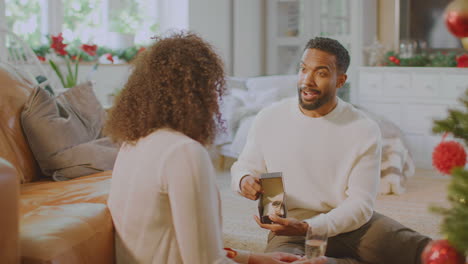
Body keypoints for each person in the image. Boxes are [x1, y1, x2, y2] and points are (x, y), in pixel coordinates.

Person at [105, 32, 325, 264]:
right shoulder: (183, 152)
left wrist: (257, 259)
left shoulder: (133, 144)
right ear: (196, 94)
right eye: (213, 88)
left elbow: (195, 248)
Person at [231, 37, 431, 264]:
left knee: (431, 253)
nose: (307, 80)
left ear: (340, 81)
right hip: (291, 230)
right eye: (303, 69)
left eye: (321, 73)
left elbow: (361, 204)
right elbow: (244, 166)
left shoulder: (363, 128)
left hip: (352, 225)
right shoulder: (269, 117)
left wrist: (311, 226)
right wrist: (243, 180)